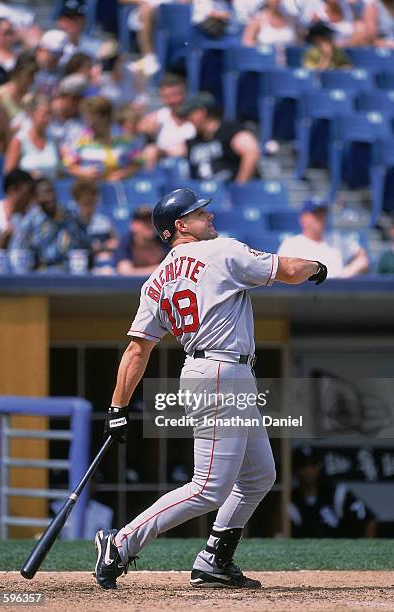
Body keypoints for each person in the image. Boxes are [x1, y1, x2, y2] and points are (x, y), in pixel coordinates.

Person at [93, 186, 328, 590]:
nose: (211, 217)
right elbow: (288, 270)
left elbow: (138, 349)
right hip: (220, 373)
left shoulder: (154, 279)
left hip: (211, 371)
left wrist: (117, 408)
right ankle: (120, 543)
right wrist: (318, 266)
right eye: (201, 213)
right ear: (179, 226)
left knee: (258, 475)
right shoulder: (221, 251)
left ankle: (214, 559)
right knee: (208, 487)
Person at [290, 445, 376, 538]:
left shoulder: (337, 493)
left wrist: (366, 548)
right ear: (295, 469)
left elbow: (369, 519)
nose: (308, 471)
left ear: (319, 467)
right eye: (303, 466)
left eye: (313, 464)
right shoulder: (291, 499)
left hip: (341, 549)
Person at [10, 177, 90, 271]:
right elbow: (17, 251)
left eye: (51, 191)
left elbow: (84, 244)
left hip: (68, 273)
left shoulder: (70, 216)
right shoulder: (30, 221)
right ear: (35, 198)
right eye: (44, 193)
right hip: (39, 274)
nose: (49, 197)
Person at [178, 92, 260, 183]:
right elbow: (174, 150)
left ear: (202, 112)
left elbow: (251, 152)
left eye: (188, 115)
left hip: (229, 191)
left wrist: (239, 186)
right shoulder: (193, 141)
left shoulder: (229, 130)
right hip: (204, 194)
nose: (187, 120)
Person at [278, 197, 369, 278]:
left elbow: (362, 256)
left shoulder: (335, 239)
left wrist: (346, 273)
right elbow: (282, 272)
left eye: (322, 214)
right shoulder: (291, 244)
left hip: (337, 291)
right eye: (316, 215)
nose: (320, 218)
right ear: (303, 218)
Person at [62, 95, 144, 181]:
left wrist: (122, 174)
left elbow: (139, 163)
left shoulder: (125, 140)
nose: (88, 122)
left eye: (91, 118)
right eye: (86, 117)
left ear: (106, 117)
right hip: (92, 190)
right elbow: (67, 165)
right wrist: (84, 172)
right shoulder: (82, 141)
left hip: (117, 190)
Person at [137, 73, 196, 163]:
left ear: (185, 93)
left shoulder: (197, 117)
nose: (173, 100)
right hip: (165, 170)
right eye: (167, 97)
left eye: (176, 95)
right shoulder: (159, 117)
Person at [4, 94, 59, 179]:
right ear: (32, 114)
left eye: (49, 114)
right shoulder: (19, 140)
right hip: (28, 190)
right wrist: (28, 176)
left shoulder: (53, 138)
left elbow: (60, 170)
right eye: (44, 114)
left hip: (50, 189)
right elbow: (8, 173)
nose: (47, 118)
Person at [71, 178, 118, 272]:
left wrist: (111, 244)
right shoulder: (72, 223)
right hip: (81, 266)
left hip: (103, 266)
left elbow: (116, 242)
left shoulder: (105, 222)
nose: (89, 208)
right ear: (77, 202)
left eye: (92, 203)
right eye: (85, 203)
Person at [115, 205, 167, 275]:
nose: (149, 224)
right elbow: (125, 272)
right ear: (133, 225)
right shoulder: (127, 242)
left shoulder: (164, 240)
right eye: (143, 221)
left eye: (151, 221)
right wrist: (158, 269)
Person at [0, 50, 38, 125]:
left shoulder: (34, 96)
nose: (33, 79)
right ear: (18, 71)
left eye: (34, 74)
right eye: (30, 74)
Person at [0, 167, 33, 249]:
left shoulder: (32, 213)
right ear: (12, 190)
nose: (31, 196)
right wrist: (6, 238)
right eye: (28, 191)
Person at [49, 73, 87, 149]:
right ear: (71, 99)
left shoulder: (84, 120)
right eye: (79, 99)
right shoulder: (48, 119)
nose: (82, 103)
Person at [35, 29, 69, 98]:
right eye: (54, 53)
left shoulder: (64, 71)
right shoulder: (27, 67)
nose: (57, 58)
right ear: (40, 50)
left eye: (60, 53)